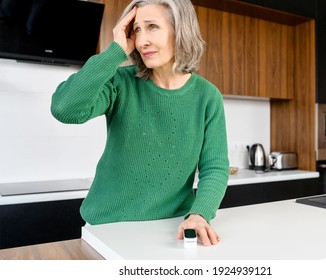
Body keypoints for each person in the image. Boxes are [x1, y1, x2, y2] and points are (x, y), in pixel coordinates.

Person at [50, 0, 229, 246]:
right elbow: (65, 109)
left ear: (181, 30)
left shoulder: (208, 96)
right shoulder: (120, 83)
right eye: (136, 30)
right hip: (108, 227)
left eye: (152, 26)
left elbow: (215, 168)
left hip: (173, 227)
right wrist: (115, 52)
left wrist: (200, 214)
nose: (142, 40)